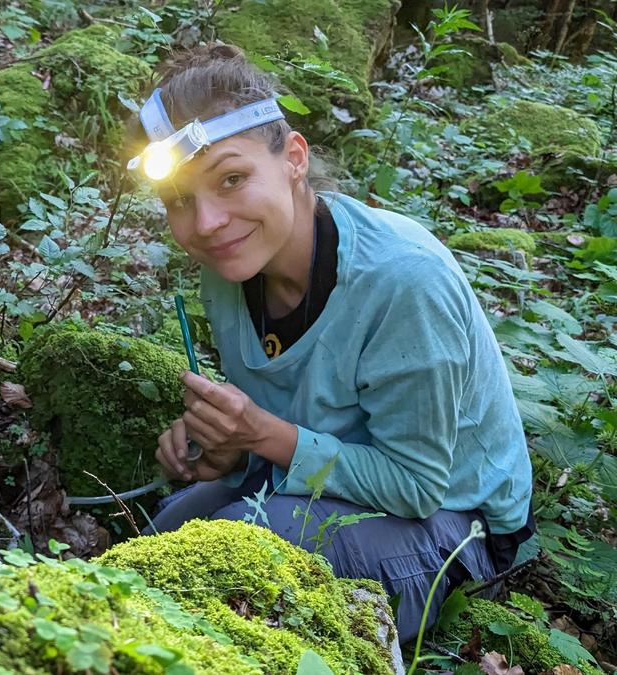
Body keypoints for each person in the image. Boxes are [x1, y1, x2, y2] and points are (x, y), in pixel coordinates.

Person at [127, 44, 535, 644]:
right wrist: (229, 453)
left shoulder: (402, 282)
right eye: (181, 201)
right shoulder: (229, 268)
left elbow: (416, 486)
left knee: (237, 552)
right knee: (162, 537)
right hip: (336, 478)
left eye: (232, 180)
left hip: (456, 519)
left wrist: (259, 435)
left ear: (293, 158)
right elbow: (302, 420)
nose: (207, 222)